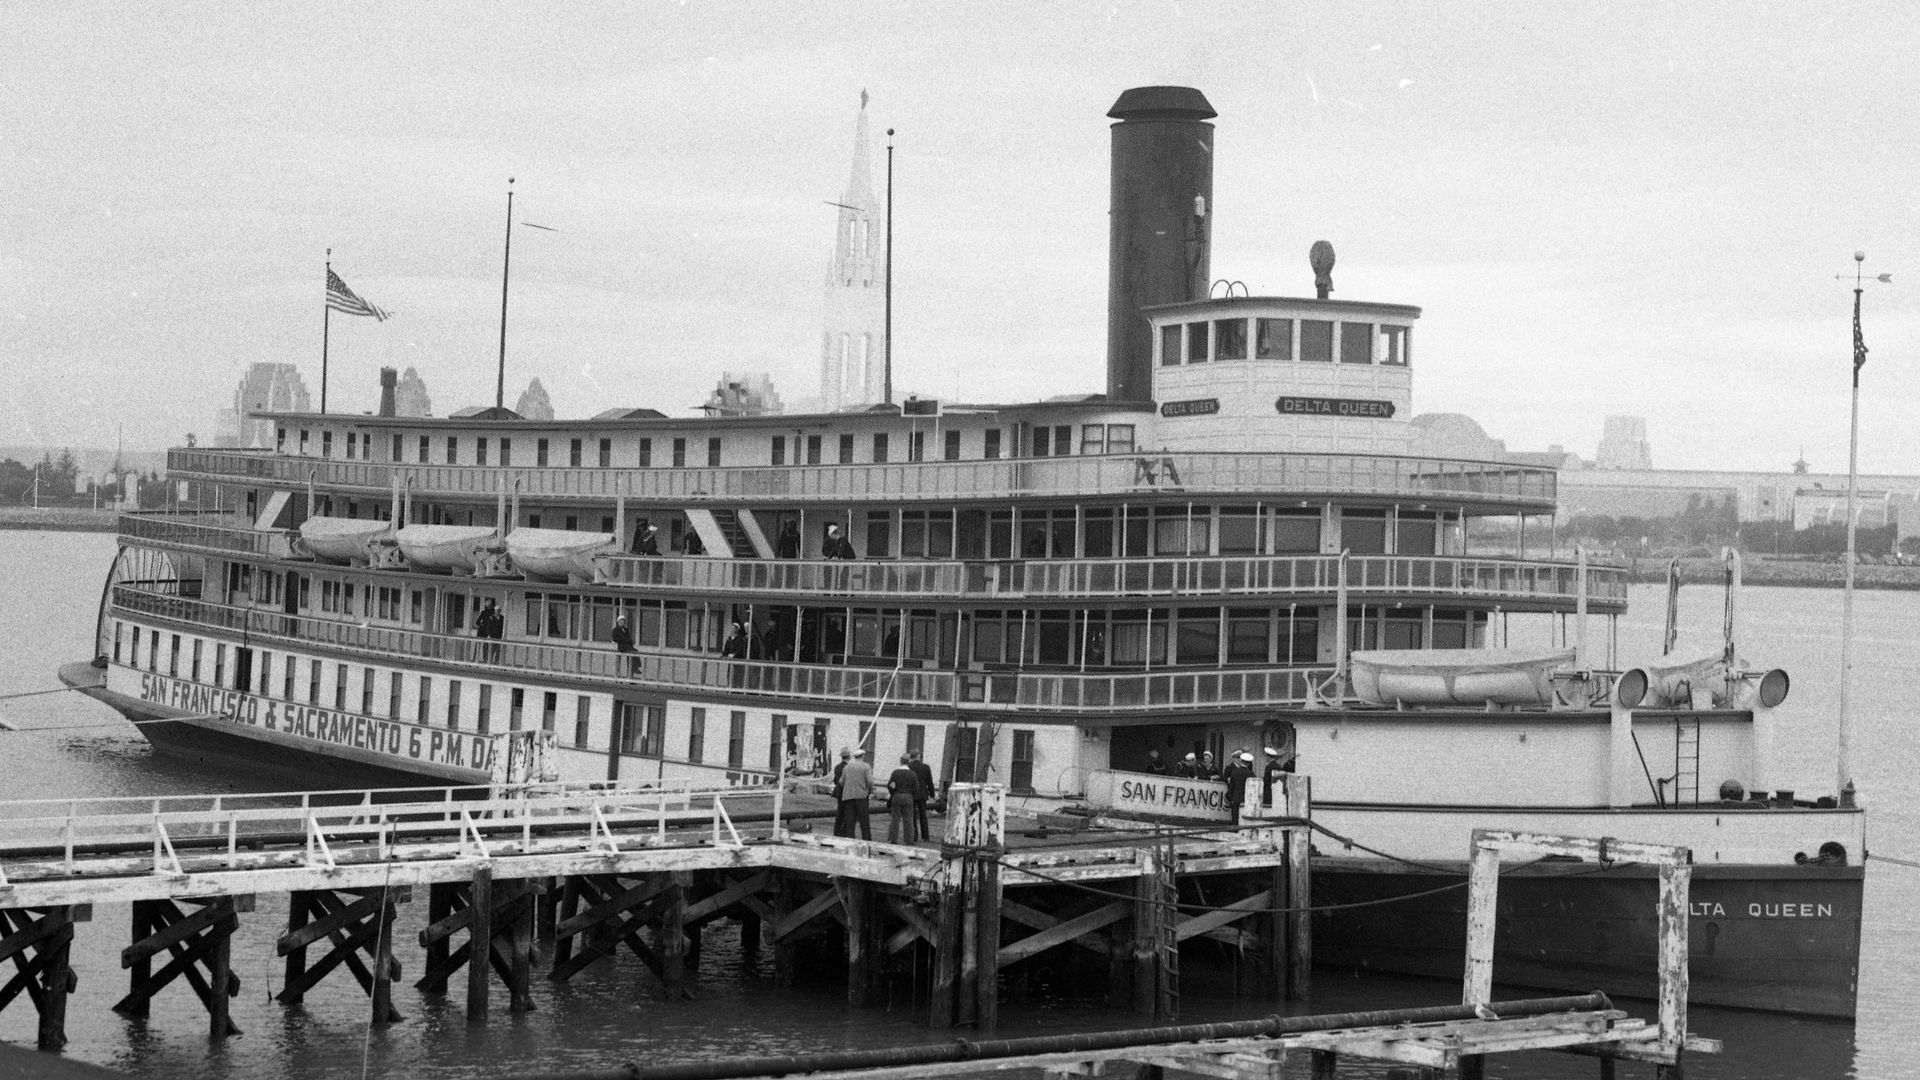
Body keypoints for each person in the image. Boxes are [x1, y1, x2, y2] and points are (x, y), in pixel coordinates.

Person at [839, 748, 874, 840]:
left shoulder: (847, 767)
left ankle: (851, 839)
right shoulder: (866, 766)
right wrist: (871, 791)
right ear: (862, 756)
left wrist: (847, 789)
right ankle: (866, 840)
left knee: (850, 822)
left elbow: (841, 782)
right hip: (861, 796)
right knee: (864, 822)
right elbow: (870, 781)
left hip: (848, 796)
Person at [887, 754, 920, 844]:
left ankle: (893, 839)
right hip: (908, 797)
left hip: (897, 796)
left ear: (901, 761)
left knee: (895, 819)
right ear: (908, 762)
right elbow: (916, 787)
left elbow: (890, 785)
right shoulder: (912, 774)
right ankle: (908, 840)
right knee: (908, 819)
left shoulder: (895, 773)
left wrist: (893, 793)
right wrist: (911, 794)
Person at [909, 751, 935, 841]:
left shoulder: (909, 767)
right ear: (918, 757)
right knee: (923, 816)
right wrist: (932, 794)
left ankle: (914, 836)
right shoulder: (926, 767)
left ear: (911, 757)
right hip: (923, 794)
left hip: (912, 794)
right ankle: (925, 836)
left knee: (912, 816)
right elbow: (929, 782)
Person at [1223, 751, 1255, 826]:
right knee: (1244, 818)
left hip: (1236, 798)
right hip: (1246, 799)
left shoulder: (1234, 772)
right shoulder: (1251, 774)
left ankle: (1234, 830)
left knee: (1235, 817)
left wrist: (1230, 797)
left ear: (1242, 761)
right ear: (1248, 763)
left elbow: (1231, 787)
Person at [831, 748, 854, 837]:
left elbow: (835, 780)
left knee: (839, 812)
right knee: (848, 813)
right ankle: (843, 832)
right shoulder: (849, 768)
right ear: (849, 757)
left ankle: (836, 832)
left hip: (839, 792)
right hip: (847, 792)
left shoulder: (837, 767)